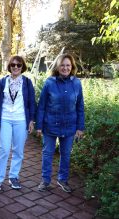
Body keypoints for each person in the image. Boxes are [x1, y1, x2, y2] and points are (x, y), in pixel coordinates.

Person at [36, 54, 85, 193]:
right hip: (50, 125)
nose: (65, 68)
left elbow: (80, 106)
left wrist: (80, 127)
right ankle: (45, 181)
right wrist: (39, 126)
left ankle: (62, 179)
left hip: (70, 126)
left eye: (68, 65)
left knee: (66, 154)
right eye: (62, 65)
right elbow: (42, 106)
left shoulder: (76, 83)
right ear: (58, 67)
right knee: (47, 154)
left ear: (72, 67)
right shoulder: (49, 83)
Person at [0, 56, 36, 191]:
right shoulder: (2, 82)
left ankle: (13, 176)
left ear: (22, 67)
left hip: (21, 120)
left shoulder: (27, 83)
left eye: (19, 65)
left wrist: (31, 120)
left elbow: (32, 103)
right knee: (3, 149)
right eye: (13, 65)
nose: (16, 67)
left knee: (18, 150)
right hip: (5, 118)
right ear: (9, 66)